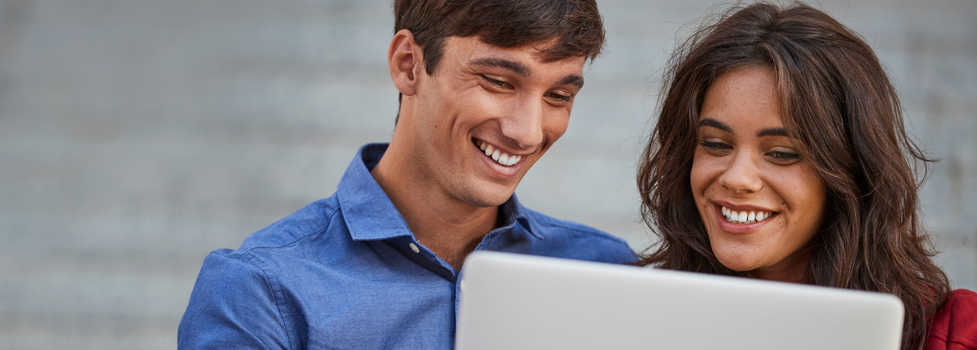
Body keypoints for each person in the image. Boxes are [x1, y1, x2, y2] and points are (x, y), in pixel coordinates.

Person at [178, 0, 635, 348]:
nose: (528, 132)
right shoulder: (259, 292)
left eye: (558, 96)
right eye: (498, 82)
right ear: (408, 64)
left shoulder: (608, 272)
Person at [635, 2, 976, 350]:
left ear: (851, 170)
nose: (738, 179)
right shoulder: (636, 318)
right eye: (716, 144)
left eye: (781, 153)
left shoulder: (953, 334)